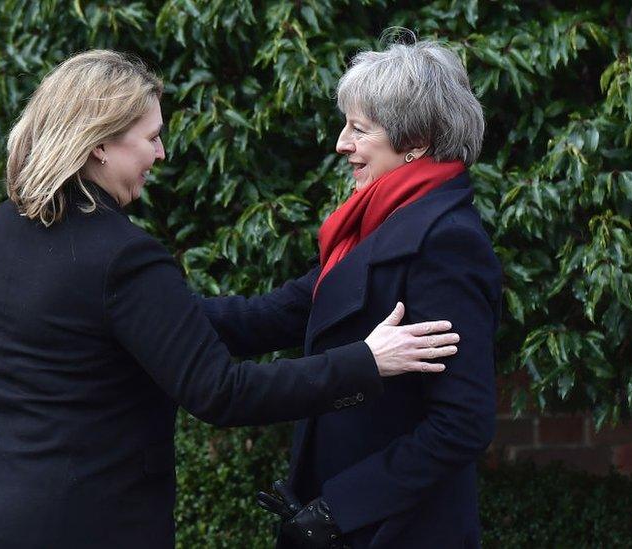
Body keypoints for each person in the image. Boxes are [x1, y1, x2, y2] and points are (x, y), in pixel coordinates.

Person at [0, 50, 460, 548]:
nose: (161, 152)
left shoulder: (9, 226)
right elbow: (221, 392)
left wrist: (331, 285)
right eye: (151, 137)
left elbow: (160, 327)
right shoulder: (122, 257)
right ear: (100, 144)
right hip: (68, 524)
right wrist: (366, 362)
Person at [202, 39, 501, 548]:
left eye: (359, 130)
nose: (342, 144)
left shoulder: (445, 241)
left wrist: (338, 509)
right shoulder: (375, 229)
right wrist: (145, 309)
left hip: (394, 530)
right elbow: (270, 315)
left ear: (417, 141)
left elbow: (462, 423)